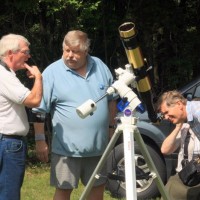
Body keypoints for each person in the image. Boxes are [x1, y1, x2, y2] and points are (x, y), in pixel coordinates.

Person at [33, 30, 117, 200]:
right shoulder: (52, 72)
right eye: (66, 50)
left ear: (86, 51)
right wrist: (40, 140)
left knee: (96, 191)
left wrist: (111, 127)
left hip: (98, 148)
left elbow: (112, 100)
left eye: (75, 51)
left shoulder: (100, 66)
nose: (70, 55)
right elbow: (39, 110)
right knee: (63, 192)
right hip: (66, 151)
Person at [0, 34, 43, 200]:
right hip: (8, 143)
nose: (29, 56)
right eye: (25, 52)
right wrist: (38, 78)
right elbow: (33, 100)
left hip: (5, 141)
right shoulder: (5, 76)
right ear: (11, 53)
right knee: (8, 195)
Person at [157, 91, 200, 200]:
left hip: (196, 177)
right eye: (163, 115)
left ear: (179, 105)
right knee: (169, 190)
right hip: (186, 175)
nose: (166, 117)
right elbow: (165, 150)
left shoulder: (197, 113)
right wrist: (177, 127)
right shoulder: (185, 124)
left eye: (166, 112)